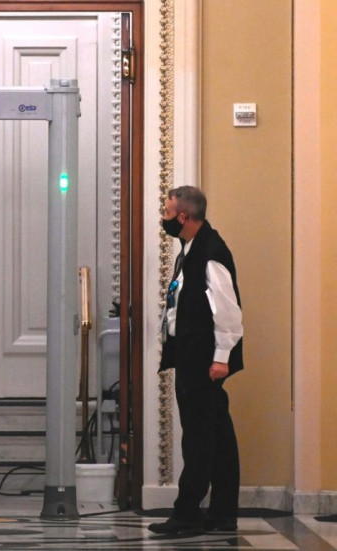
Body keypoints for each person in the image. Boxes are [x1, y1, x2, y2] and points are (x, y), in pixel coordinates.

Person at [148, 185, 243, 536]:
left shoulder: (210, 252)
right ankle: (222, 514)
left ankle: (187, 514)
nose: (164, 218)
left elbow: (228, 312)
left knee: (199, 439)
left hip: (203, 361)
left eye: (167, 212)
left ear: (184, 216)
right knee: (217, 436)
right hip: (193, 356)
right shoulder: (190, 250)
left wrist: (221, 359)